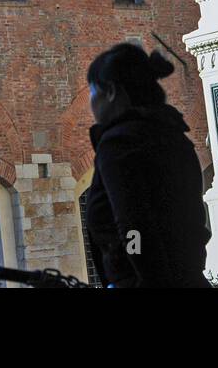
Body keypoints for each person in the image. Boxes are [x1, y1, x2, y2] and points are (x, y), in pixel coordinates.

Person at [84, 43, 211, 287]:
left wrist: (144, 273)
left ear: (110, 91)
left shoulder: (119, 144)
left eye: (92, 91)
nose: (90, 102)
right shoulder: (174, 135)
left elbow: (133, 226)